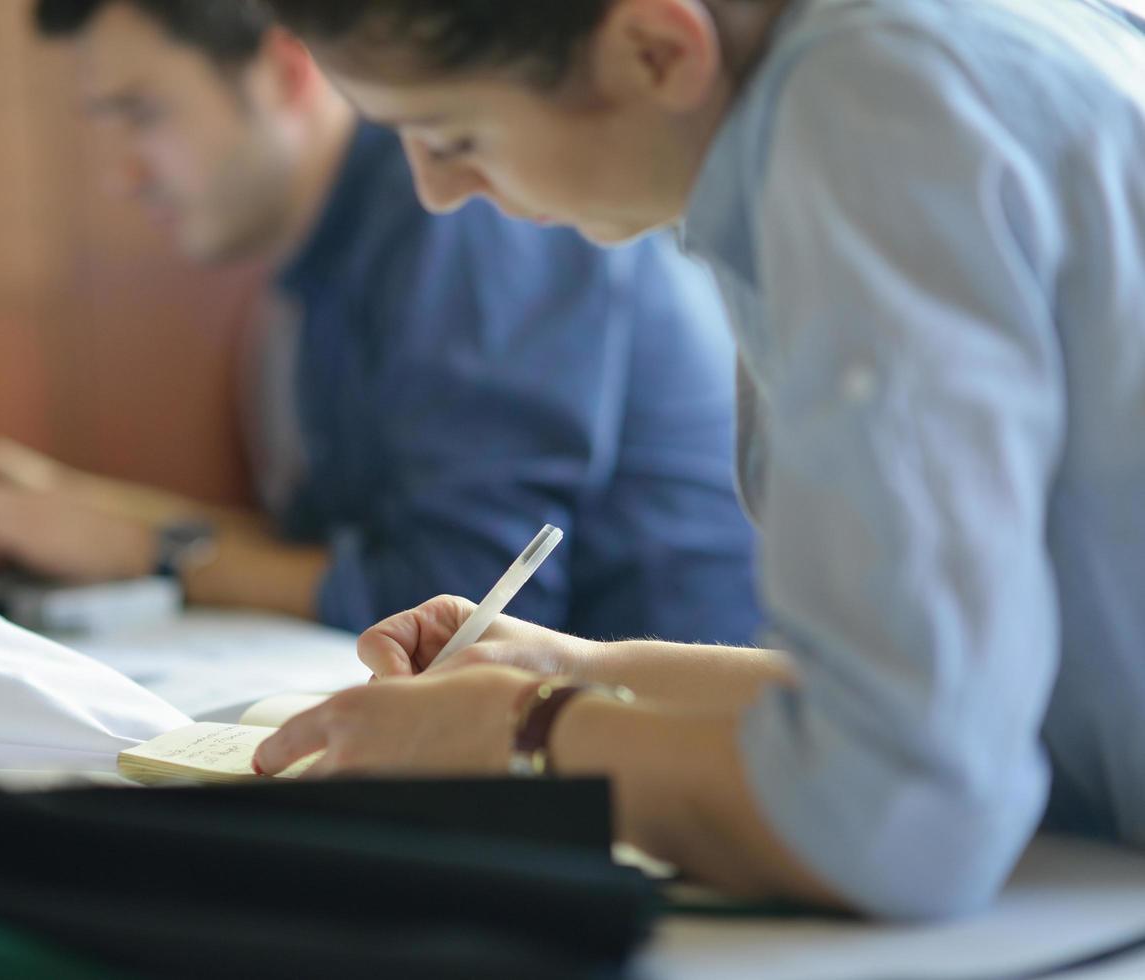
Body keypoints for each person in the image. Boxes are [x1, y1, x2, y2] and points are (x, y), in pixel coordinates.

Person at [249, 0, 1145, 919]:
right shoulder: (893, 68)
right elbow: (943, 707)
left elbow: (897, 815)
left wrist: (518, 739)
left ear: (653, 49)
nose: (436, 192)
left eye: (452, 134)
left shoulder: (871, 113)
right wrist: (568, 675)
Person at [0, 0, 761, 643]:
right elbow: (352, 557)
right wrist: (79, 507)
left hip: (645, 758)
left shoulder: (467, 200)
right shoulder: (327, 258)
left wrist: (145, 547)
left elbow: (463, 600)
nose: (119, 174)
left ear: (285, 69)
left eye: (140, 113)